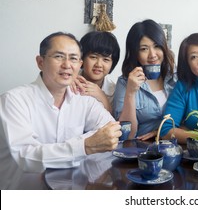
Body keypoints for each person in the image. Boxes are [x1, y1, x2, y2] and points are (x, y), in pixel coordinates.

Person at [0, 32, 121, 189]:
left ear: (79, 64)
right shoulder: (13, 100)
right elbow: (26, 156)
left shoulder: (84, 100)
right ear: (40, 62)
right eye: (58, 56)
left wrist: (93, 142)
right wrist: (85, 145)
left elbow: (110, 128)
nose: (67, 65)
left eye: (73, 58)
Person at [113, 19, 177, 140]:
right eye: (144, 49)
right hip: (141, 149)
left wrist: (160, 132)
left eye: (157, 46)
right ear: (135, 53)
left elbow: (188, 117)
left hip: (173, 146)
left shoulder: (176, 77)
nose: (152, 55)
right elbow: (127, 134)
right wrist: (130, 92)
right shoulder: (125, 82)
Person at [72, 31, 120, 113]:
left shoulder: (114, 91)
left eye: (106, 59)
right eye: (93, 57)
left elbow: (115, 123)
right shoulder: (69, 80)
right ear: (82, 58)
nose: (99, 64)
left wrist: (103, 98)